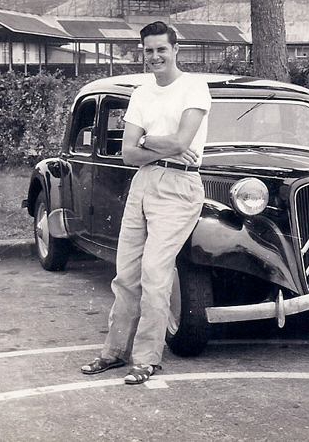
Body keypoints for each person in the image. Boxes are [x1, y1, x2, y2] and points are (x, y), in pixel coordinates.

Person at [81, 21, 210, 384]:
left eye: (161, 49)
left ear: (175, 50)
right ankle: (114, 352)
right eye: (148, 50)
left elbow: (182, 143)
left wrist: (148, 142)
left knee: (156, 273)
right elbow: (126, 153)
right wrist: (159, 143)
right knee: (127, 275)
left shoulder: (193, 88)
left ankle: (148, 358)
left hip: (180, 187)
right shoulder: (140, 93)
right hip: (143, 184)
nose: (154, 57)